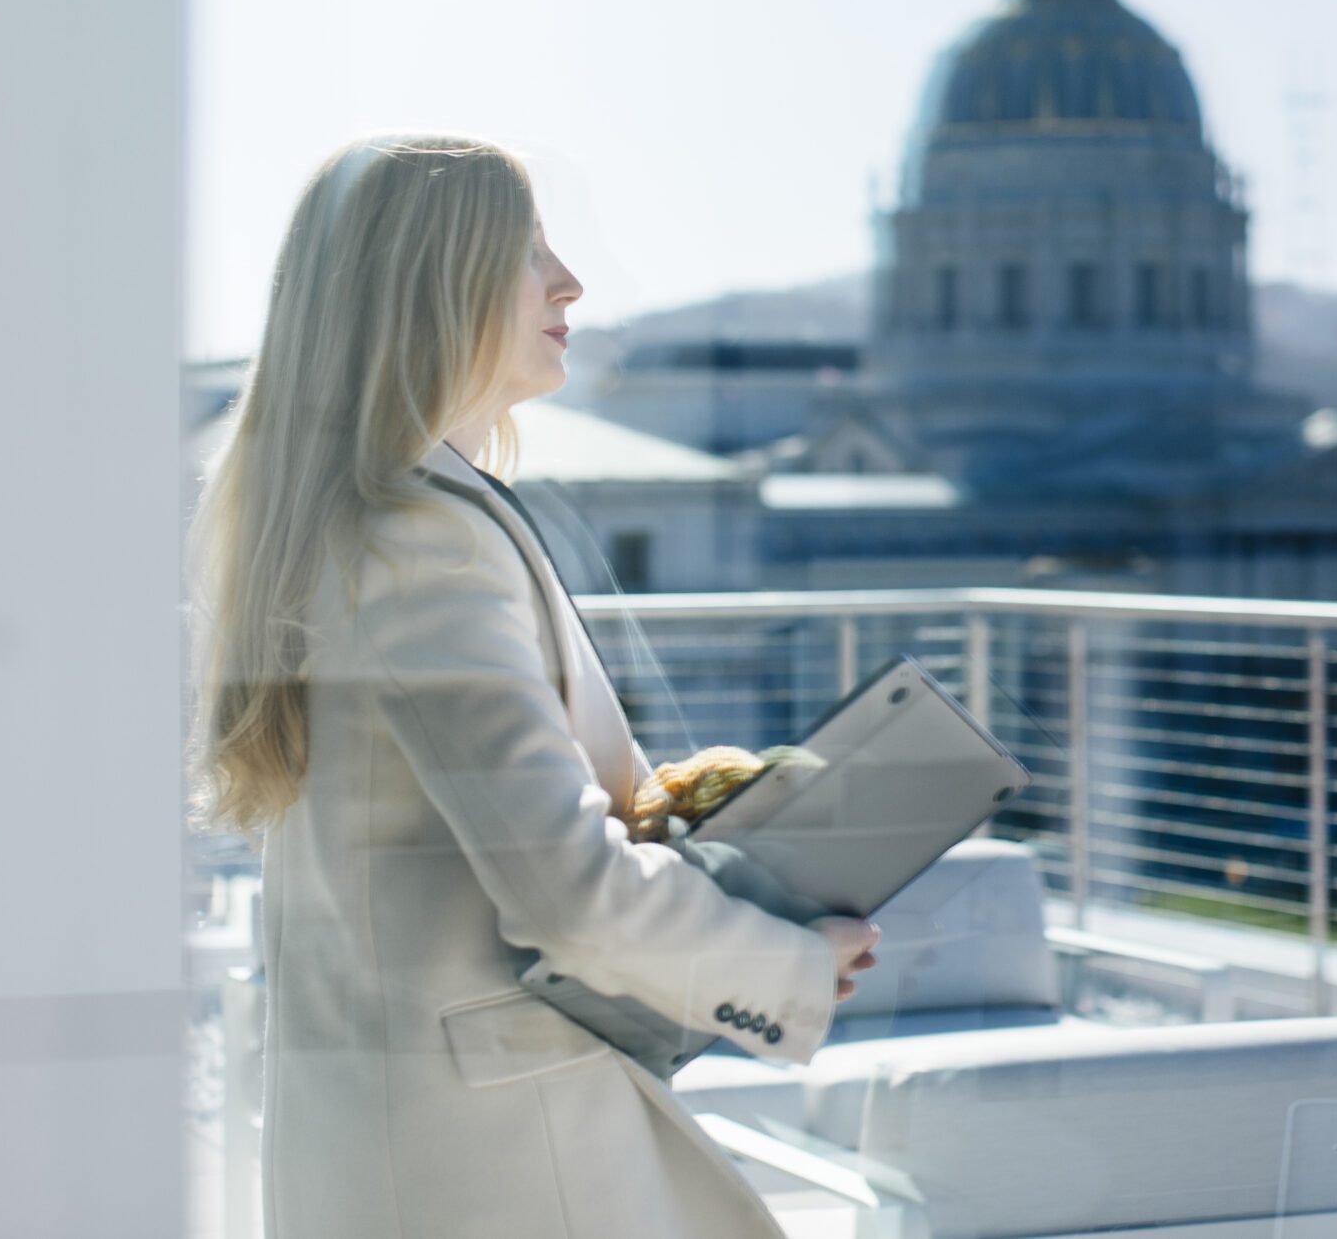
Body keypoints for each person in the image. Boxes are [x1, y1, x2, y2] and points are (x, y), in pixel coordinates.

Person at [186, 134, 881, 1239]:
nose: (569, 283)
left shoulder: (372, 516)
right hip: (496, 1152)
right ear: (433, 285)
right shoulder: (423, 542)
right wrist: (786, 961)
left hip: (415, 1124)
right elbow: (559, 887)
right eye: (527, 254)